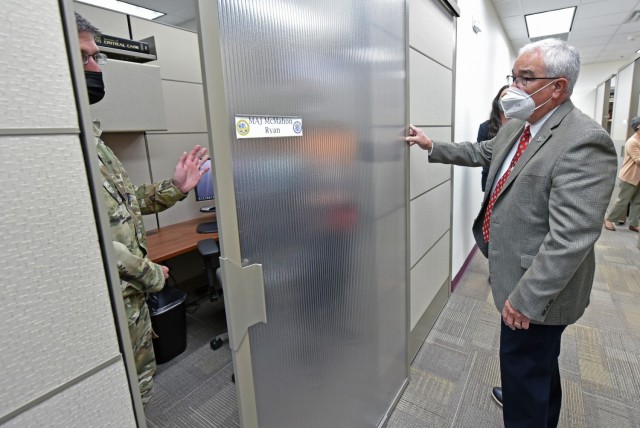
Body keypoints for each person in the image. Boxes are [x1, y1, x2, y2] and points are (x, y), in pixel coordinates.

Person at [406, 39, 617, 427]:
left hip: (536, 289)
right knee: (536, 368)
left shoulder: (584, 141)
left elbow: (571, 237)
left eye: (526, 78)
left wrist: (526, 300)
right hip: (513, 271)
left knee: (524, 375)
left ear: (558, 87)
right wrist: (432, 145)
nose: (514, 88)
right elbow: (485, 152)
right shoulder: (521, 125)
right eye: (513, 77)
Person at [75, 12, 210, 404]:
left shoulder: (93, 143)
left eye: (97, 58)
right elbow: (90, 238)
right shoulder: (53, 147)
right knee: (117, 399)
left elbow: (126, 203)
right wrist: (152, 273)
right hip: (106, 303)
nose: (96, 68)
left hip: (129, 303)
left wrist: (177, 187)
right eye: (85, 57)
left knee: (138, 393)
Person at [603, 116, 640, 232]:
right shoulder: (632, 141)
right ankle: (608, 219)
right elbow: (638, 160)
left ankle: (633, 223)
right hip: (629, 177)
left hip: (638, 178)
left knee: (637, 202)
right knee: (623, 200)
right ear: (638, 126)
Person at [477, 85, 509, 192]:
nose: (507, 99)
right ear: (497, 101)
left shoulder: (522, 126)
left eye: (511, 96)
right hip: (490, 181)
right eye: (504, 96)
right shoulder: (485, 127)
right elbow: (481, 154)